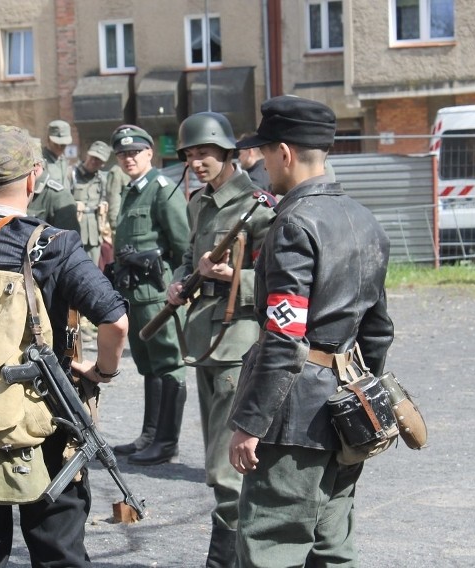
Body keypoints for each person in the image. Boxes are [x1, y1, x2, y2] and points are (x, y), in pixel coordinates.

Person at [0, 125, 129, 567]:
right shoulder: (57, 246)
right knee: (58, 550)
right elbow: (116, 322)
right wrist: (101, 372)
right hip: (46, 418)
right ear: (34, 177)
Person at [227, 96, 393, 567]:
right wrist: (364, 393)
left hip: (293, 417)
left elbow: (283, 334)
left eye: (262, 152)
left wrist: (250, 422)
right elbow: (378, 329)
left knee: (270, 546)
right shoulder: (365, 220)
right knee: (332, 545)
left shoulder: (293, 223)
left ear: (284, 152)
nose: (260, 163)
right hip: (349, 408)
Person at [169, 112, 276, 568]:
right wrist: (179, 282)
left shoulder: (258, 205)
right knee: (219, 453)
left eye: (205, 153)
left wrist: (236, 278)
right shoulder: (199, 204)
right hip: (204, 339)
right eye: (190, 155)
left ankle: (228, 561)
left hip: (238, 340)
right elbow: (189, 260)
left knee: (227, 463)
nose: (197, 162)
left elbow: (279, 279)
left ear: (228, 153)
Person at [107, 124, 190, 466]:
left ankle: (166, 442)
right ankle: (149, 435)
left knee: (170, 365)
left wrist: (174, 286)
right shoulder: (131, 192)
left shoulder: (162, 190)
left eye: (134, 152)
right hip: (134, 295)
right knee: (148, 366)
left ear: (149, 153)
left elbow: (184, 247)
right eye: (123, 154)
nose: (128, 159)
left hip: (158, 296)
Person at [28, 119, 80, 232]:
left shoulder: (63, 161)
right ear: (48, 139)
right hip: (45, 212)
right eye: (57, 144)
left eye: (64, 145)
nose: (61, 148)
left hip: (64, 211)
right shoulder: (40, 161)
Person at [72, 140, 112, 265]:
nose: (94, 162)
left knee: (93, 267)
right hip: (75, 230)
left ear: (103, 164)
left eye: (98, 160)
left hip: (95, 233)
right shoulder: (71, 174)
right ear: (87, 154)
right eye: (93, 157)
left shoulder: (102, 179)